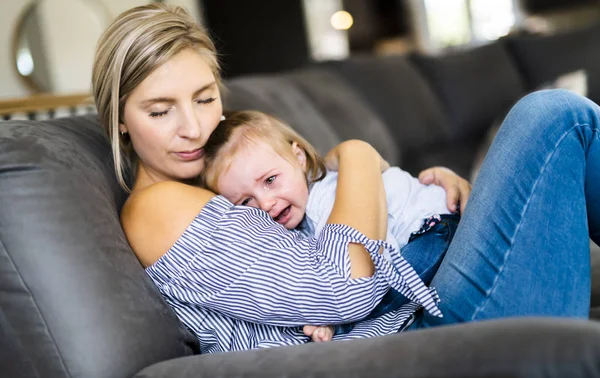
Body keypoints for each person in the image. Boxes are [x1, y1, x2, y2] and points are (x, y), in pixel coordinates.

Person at [92, 4, 598, 353]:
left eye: (205, 98)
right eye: (160, 111)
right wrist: (358, 154)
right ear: (119, 119)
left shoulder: (212, 176)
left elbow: (323, 224)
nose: (196, 127)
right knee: (553, 118)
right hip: (423, 341)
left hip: (425, 300)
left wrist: (437, 197)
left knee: (552, 130)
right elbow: (343, 288)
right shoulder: (157, 208)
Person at [200, 110, 461, 340]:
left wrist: (333, 318)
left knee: (388, 291)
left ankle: (342, 327)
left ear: (299, 157)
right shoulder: (297, 217)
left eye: (270, 180)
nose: (266, 202)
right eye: (246, 200)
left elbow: (375, 262)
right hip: (428, 229)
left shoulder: (326, 198)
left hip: (434, 229)